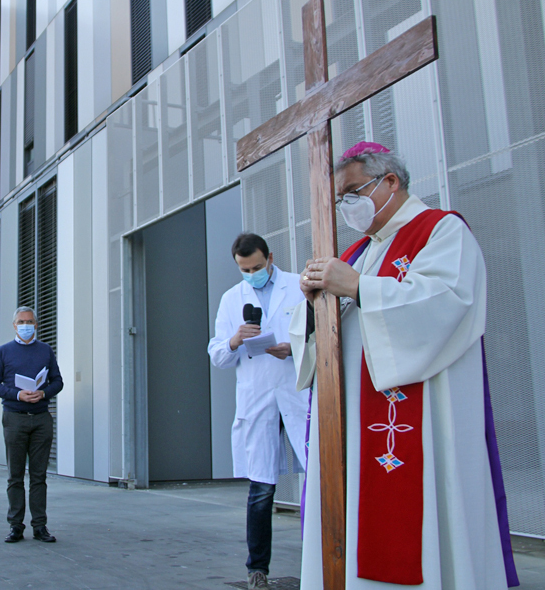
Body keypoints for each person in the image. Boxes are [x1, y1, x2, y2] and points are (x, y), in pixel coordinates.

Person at [290, 142, 518, 588]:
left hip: (420, 418)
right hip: (352, 423)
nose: (346, 206)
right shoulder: (359, 251)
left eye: (354, 191)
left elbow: (448, 303)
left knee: (420, 521)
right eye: (341, 199)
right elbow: (320, 334)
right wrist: (311, 302)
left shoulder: (441, 231)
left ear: (390, 181)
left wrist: (358, 287)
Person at [207, 233, 308, 590]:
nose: (252, 274)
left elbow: (321, 337)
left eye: (257, 267)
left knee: (319, 477)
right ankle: (257, 570)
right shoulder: (231, 299)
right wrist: (234, 340)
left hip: (297, 391)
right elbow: (217, 355)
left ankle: (322, 559)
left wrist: (292, 349)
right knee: (261, 486)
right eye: (244, 269)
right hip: (257, 395)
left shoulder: (299, 286)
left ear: (270, 257)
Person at [0, 307, 64, 544]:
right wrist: (18, 395)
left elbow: (58, 381)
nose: (26, 325)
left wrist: (43, 392)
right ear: (14, 325)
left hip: (41, 418)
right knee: (15, 476)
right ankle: (15, 526)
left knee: (39, 476)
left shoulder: (46, 351)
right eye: (21, 321)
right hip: (15, 418)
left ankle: (40, 526)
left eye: (30, 321)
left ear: (36, 325)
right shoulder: (3, 351)